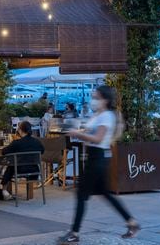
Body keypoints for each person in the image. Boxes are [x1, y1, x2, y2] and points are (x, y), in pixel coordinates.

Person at [59, 85, 140, 244]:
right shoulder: (98, 115)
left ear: (105, 100)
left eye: (96, 97)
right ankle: (132, 223)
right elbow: (91, 136)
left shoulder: (107, 117)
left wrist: (77, 134)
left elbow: (97, 139)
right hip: (94, 157)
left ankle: (74, 233)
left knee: (82, 195)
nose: (93, 100)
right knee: (105, 194)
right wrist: (80, 134)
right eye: (93, 97)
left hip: (97, 158)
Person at [0, 121, 44, 200]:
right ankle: (5, 191)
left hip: (20, 170)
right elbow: (42, 151)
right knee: (12, 165)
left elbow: (4, 152)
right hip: (34, 169)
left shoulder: (17, 143)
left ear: (20, 130)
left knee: (10, 166)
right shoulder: (37, 142)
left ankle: (4, 190)